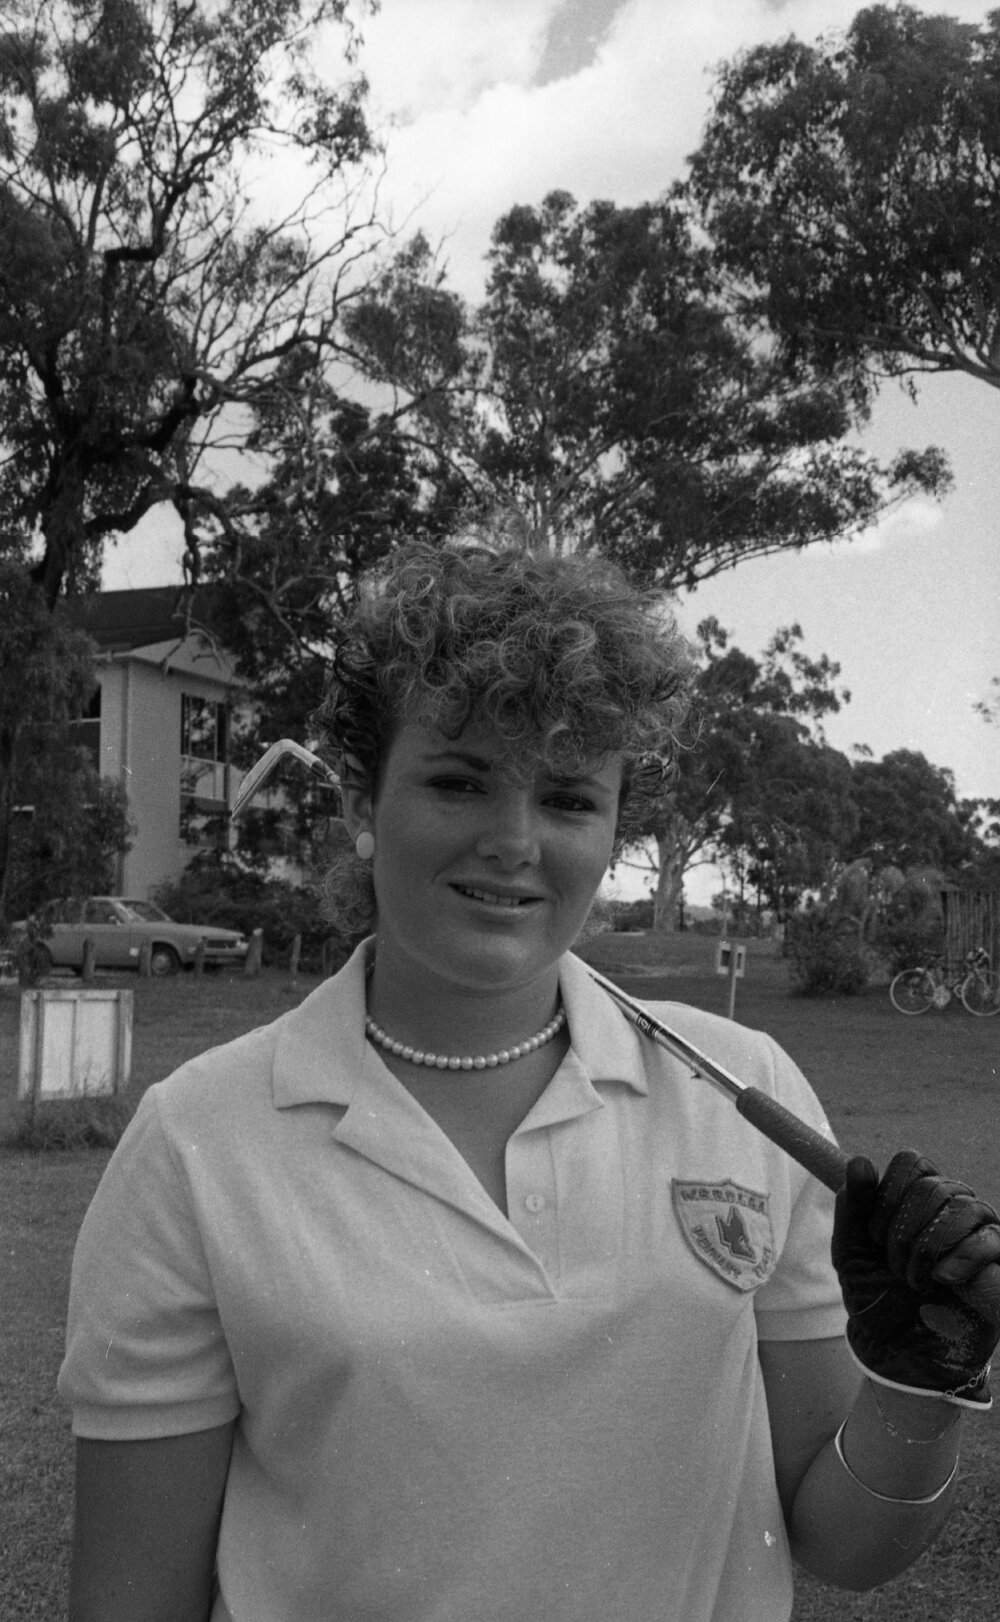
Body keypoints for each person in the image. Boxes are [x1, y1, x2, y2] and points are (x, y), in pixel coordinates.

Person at [59, 536, 1000, 1622]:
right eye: (459, 780)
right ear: (364, 802)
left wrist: (918, 1381)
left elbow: (840, 1540)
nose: (513, 841)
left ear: (611, 830)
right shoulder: (196, 1143)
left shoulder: (745, 1089)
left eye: (565, 799)